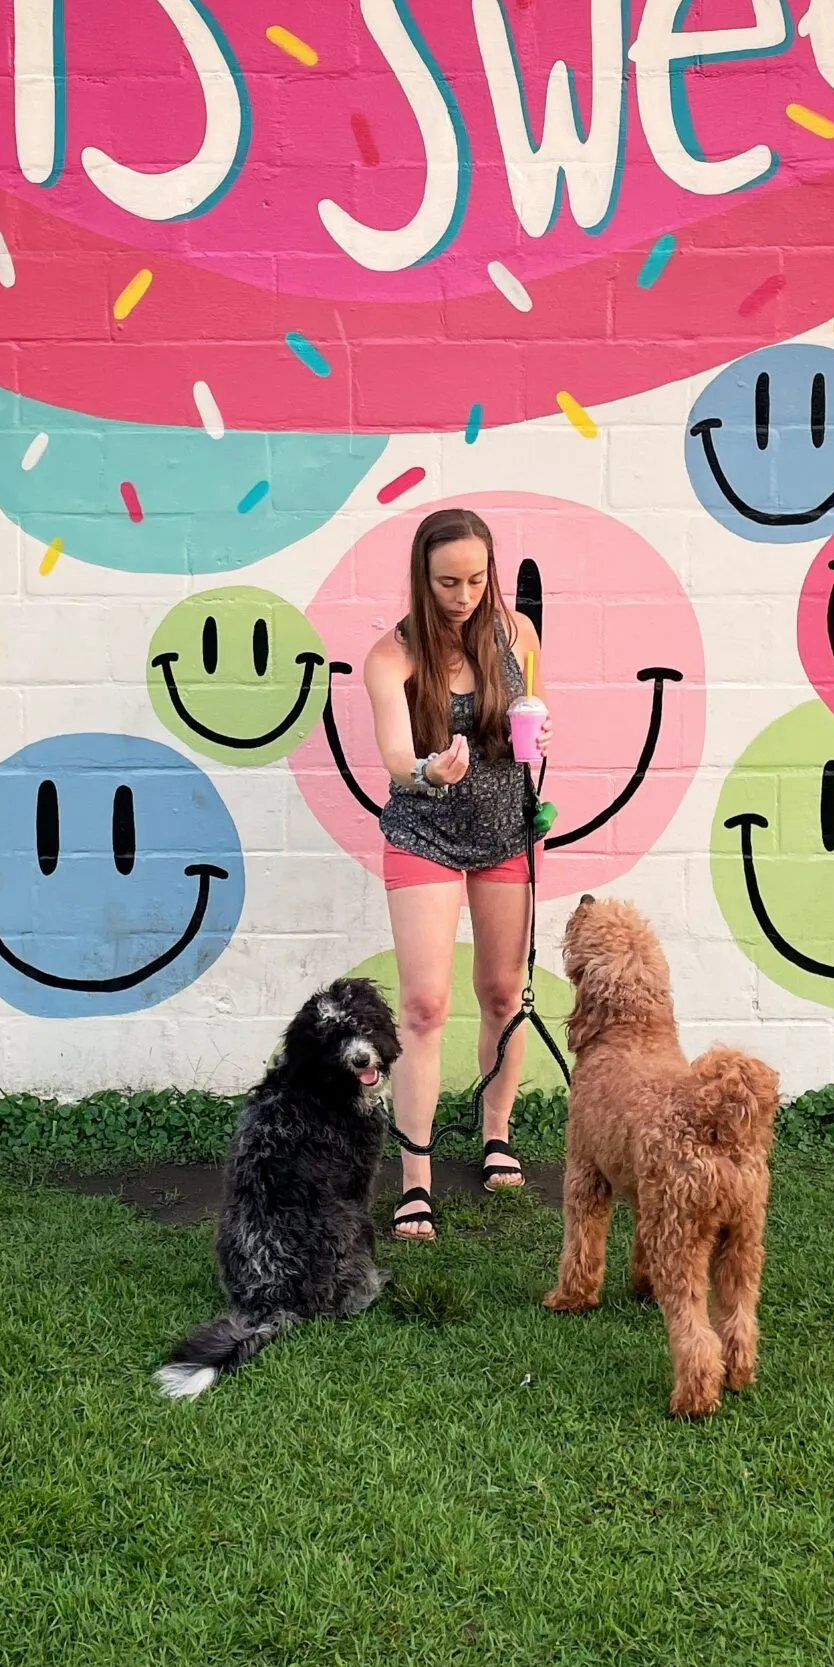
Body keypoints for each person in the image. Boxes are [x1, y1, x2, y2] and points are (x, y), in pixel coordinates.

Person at [362, 507, 552, 1240]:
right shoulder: (395, 656)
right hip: (424, 834)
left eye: (476, 578)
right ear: (422, 578)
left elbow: (528, 713)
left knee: (505, 991)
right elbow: (391, 760)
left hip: (505, 831)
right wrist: (428, 771)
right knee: (424, 1008)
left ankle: (495, 1133)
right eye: (448, 581)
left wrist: (539, 727)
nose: (465, 593)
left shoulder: (517, 635)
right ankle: (416, 1176)